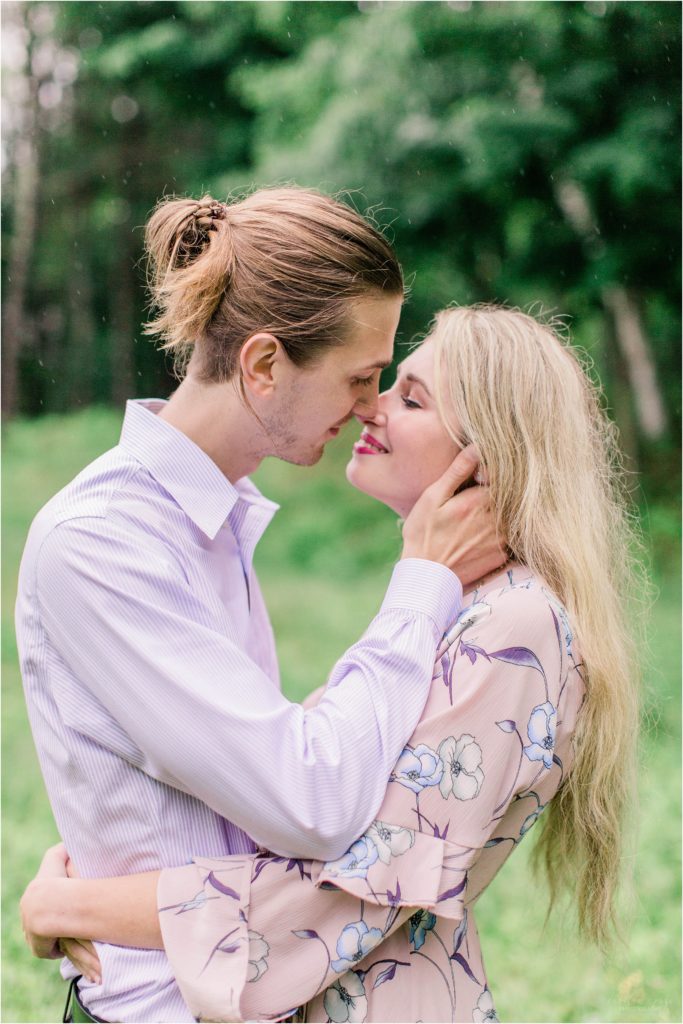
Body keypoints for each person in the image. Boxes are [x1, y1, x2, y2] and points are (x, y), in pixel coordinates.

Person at [22, 306, 642, 1024]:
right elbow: (297, 788)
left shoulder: (517, 624)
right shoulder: (455, 601)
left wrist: (83, 904)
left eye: (410, 398)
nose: (369, 406)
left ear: (490, 450)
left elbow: (351, 887)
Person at [15, 187, 504, 1023]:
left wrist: (78, 901)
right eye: (358, 376)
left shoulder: (211, 521)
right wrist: (422, 584)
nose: (369, 406)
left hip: (251, 987)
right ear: (265, 365)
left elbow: (255, 784)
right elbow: (307, 802)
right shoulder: (103, 543)